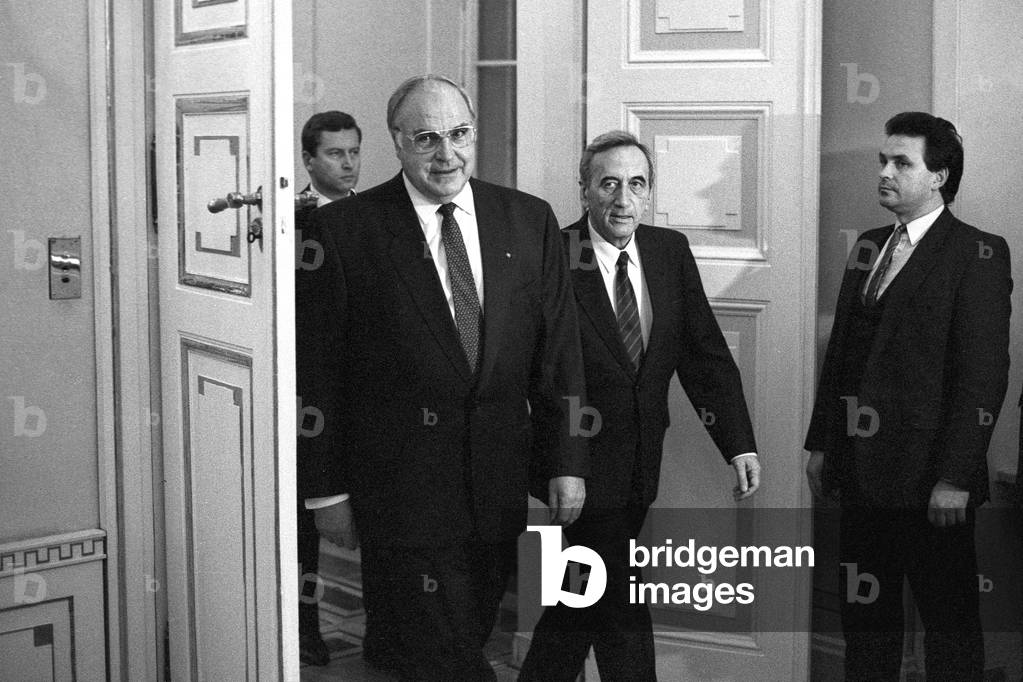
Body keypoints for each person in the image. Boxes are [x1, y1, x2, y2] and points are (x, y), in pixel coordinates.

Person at [295, 74, 589, 681]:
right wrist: (326, 492)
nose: (446, 154)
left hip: (496, 482)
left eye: (459, 134)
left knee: (454, 631)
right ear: (397, 141)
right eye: (426, 138)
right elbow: (318, 371)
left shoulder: (527, 219)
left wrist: (567, 460)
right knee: (442, 651)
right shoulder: (344, 231)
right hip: (397, 491)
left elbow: (558, 356)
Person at [520, 131, 761, 682]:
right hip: (577, 466)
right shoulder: (554, 255)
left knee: (579, 598)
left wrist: (738, 444)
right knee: (620, 601)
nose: (622, 199)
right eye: (608, 184)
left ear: (650, 193)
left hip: (638, 466)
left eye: (636, 184)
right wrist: (563, 465)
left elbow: (703, 355)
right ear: (584, 190)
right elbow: (538, 373)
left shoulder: (668, 252)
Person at [804, 112, 1011, 681]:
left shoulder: (978, 253)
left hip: (931, 483)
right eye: (883, 161)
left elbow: (983, 375)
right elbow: (841, 357)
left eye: (901, 162)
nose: (885, 172)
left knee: (949, 629)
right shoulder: (869, 245)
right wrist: (822, 444)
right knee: (866, 627)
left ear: (939, 176)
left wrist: (954, 478)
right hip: (860, 475)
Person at [294, 109, 362, 667]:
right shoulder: (294, 221)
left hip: (370, 383)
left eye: (354, 152)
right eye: (335, 154)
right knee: (305, 520)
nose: (348, 163)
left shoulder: (376, 215)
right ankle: (303, 627)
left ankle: (391, 632)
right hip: (309, 384)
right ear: (309, 159)